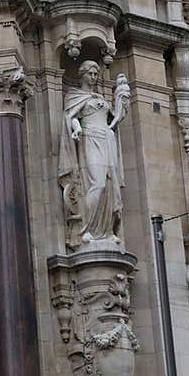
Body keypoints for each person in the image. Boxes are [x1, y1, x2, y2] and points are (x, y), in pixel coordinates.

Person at [58, 60, 129, 245]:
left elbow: (113, 121)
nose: (94, 77)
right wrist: (77, 129)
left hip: (107, 138)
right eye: (91, 73)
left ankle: (107, 230)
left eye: (96, 74)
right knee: (97, 183)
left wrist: (122, 105)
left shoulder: (100, 98)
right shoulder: (75, 96)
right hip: (89, 137)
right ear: (82, 74)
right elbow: (71, 116)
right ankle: (87, 228)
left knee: (109, 186)